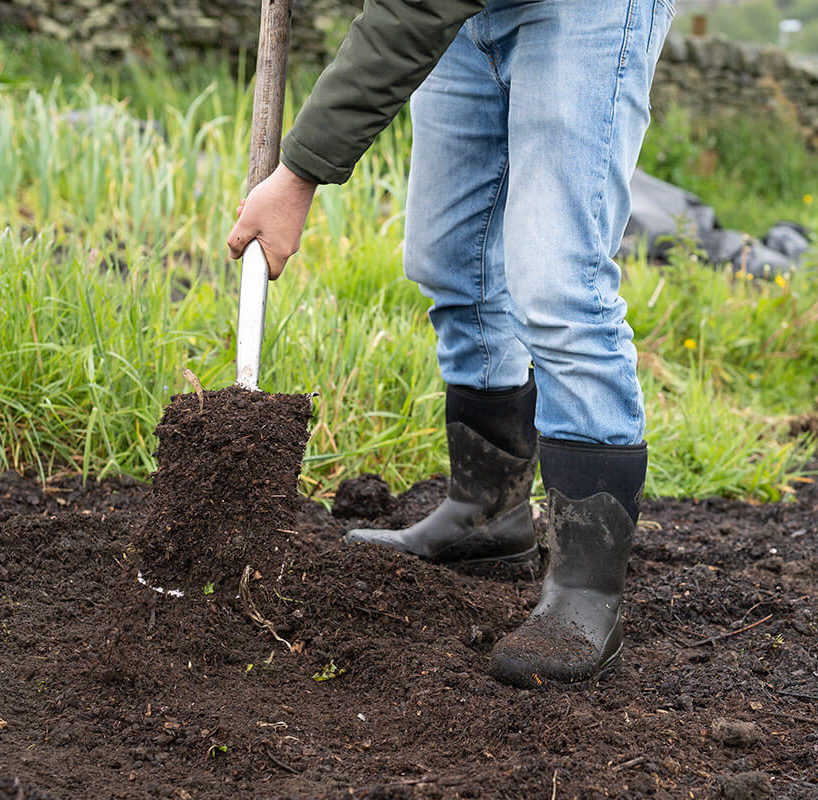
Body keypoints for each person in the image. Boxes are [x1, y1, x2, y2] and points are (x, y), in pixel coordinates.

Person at [228, 0, 675, 688]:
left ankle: (586, 597)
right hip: (472, 17)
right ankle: (486, 514)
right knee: (450, 257)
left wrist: (299, 172)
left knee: (559, 282)